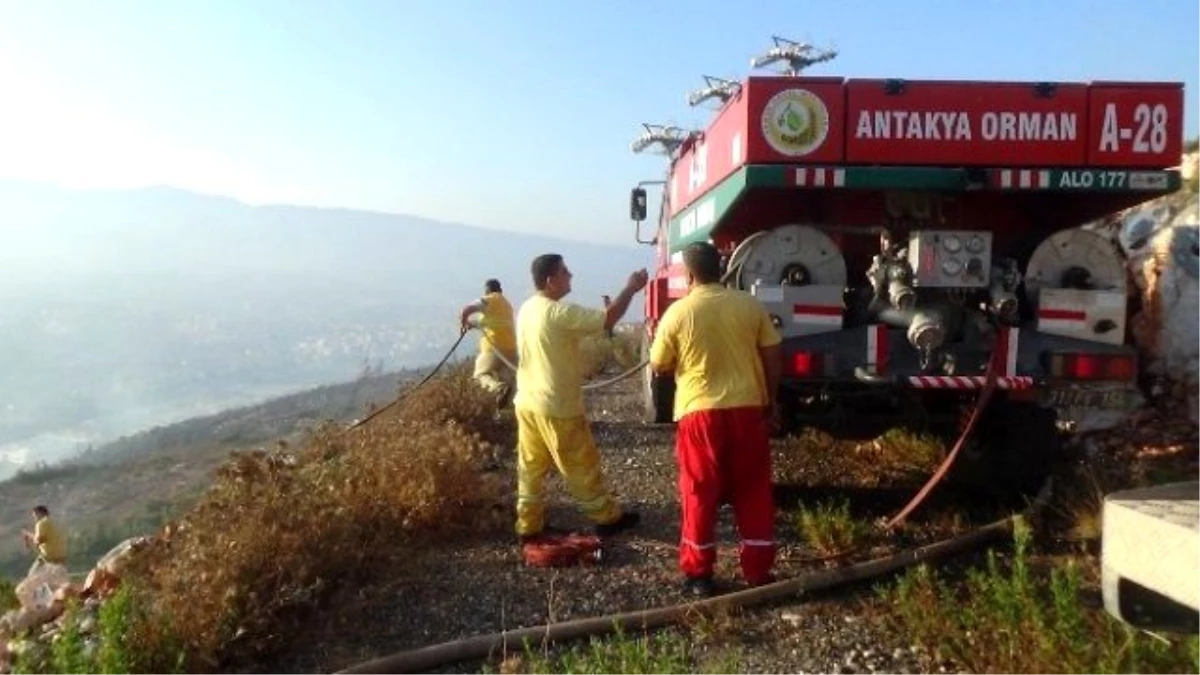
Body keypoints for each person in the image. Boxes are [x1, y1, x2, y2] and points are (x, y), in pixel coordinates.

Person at [648, 241, 783, 598]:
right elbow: (772, 355)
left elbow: (659, 364)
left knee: (699, 492)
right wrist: (770, 400)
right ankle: (757, 571)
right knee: (753, 491)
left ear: (689, 274)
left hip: (699, 414)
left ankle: (699, 575)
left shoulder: (677, 313)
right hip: (748, 408)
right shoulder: (749, 305)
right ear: (721, 268)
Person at [512, 253, 647, 542]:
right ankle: (607, 518)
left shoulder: (527, 309)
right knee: (581, 465)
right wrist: (631, 288)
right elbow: (608, 319)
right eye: (564, 271)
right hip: (557, 407)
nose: (570, 275)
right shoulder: (559, 313)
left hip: (527, 403)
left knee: (530, 468)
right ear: (551, 280)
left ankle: (528, 525)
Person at [459, 279, 518, 410]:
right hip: (511, 350)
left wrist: (463, 323)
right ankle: (503, 411)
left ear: (487, 290)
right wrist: (471, 324)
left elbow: (466, 310)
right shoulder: (506, 304)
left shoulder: (488, 300)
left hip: (493, 348)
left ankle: (498, 389)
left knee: (480, 375)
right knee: (508, 380)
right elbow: (492, 323)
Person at [21, 505, 67, 575]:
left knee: (33, 574)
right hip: (60, 555)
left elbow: (40, 540)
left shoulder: (41, 523)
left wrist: (28, 536)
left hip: (48, 556)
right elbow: (46, 538)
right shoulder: (53, 522)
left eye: (34, 515)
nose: (34, 518)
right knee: (54, 578)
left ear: (39, 513)